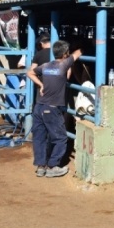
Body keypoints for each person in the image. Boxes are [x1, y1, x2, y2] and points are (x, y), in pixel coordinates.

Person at [26, 40, 82, 178]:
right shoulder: (64, 64)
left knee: (39, 137)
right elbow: (79, 53)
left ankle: (40, 167)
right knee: (61, 138)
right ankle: (53, 166)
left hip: (39, 107)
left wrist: (41, 85)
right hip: (52, 108)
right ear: (65, 54)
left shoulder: (45, 66)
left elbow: (29, 73)